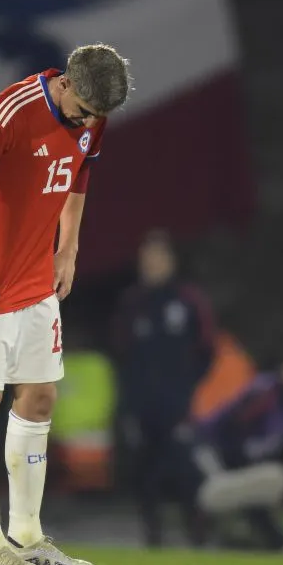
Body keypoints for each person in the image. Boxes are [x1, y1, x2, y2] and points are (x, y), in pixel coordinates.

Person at [0, 44, 132, 565]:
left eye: (96, 116)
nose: (87, 122)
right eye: (82, 110)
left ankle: (28, 535)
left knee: (40, 399)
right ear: (65, 82)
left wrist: (69, 248)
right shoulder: (10, 112)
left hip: (38, 282)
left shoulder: (91, 114)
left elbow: (80, 170)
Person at [112, 229, 216, 547]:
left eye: (159, 257)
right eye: (147, 257)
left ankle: (197, 536)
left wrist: (185, 387)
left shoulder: (189, 300)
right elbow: (121, 351)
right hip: (141, 404)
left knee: (186, 471)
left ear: (172, 261)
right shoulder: (131, 302)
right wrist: (129, 399)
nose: (152, 263)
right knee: (145, 473)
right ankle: (153, 537)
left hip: (178, 405)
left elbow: (208, 349)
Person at [191, 353, 283, 552]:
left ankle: (277, 542)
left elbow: (265, 446)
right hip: (212, 449)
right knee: (267, 480)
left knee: (267, 486)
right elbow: (230, 424)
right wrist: (229, 465)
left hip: (240, 458)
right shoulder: (266, 391)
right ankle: (204, 532)